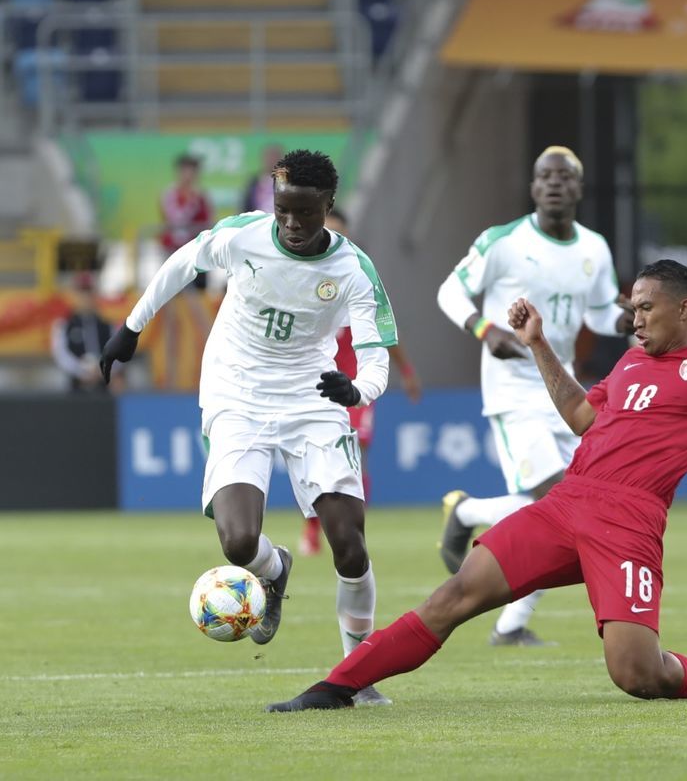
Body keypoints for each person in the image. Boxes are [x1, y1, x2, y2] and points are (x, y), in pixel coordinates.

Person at [264, 259, 687, 712]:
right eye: (630, 307)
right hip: (567, 503)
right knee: (454, 594)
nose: (634, 317)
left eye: (645, 307)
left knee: (637, 674)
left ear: (684, 307)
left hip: (629, 521)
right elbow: (583, 418)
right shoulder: (629, 362)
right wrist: (539, 346)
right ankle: (335, 687)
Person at [99, 150, 397, 706]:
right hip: (236, 392)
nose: (291, 224)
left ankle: (359, 673)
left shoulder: (354, 269)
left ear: (328, 207)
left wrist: (361, 391)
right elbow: (182, 263)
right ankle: (274, 567)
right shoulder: (242, 236)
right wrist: (132, 327)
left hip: (311, 399)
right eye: (282, 210)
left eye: (304, 213)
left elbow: (376, 350)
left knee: (349, 547)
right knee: (238, 542)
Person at [432, 146, 632, 646]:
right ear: (533, 187)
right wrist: (483, 328)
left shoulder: (594, 248)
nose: (554, 184)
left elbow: (600, 312)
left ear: (579, 189)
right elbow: (449, 292)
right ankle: (466, 518)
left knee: (577, 505)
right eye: (545, 176)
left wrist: (626, 319)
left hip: (562, 389)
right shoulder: (503, 242)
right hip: (513, 390)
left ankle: (507, 617)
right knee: (559, 498)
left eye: (565, 177)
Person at [300, 208, 423, 556]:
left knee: (357, 455)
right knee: (316, 462)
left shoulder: (359, 279)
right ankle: (312, 528)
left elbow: (386, 334)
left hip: (355, 386)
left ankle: (353, 528)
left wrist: (408, 372)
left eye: (340, 233)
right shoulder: (300, 280)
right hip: (315, 386)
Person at [158, 153, 214, 291]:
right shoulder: (169, 194)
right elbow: (174, 218)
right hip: (172, 250)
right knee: (170, 291)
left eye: (192, 171)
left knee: (198, 289)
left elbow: (208, 221)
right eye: (185, 171)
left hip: (197, 251)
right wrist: (191, 202)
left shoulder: (202, 196)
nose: (189, 175)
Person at [50, 272, 112, 393]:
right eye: (82, 292)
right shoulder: (63, 325)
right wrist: (81, 370)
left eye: (89, 292)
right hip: (75, 384)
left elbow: (118, 352)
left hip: (103, 382)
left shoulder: (107, 325)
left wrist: (102, 370)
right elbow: (61, 354)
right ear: (74, 295)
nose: (86, 297)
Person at [240, 143, 284, 215]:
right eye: (270, 157)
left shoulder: (288, 181)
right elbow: (246, 206)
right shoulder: (253, 181)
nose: (272, 160)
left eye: (275, 157)